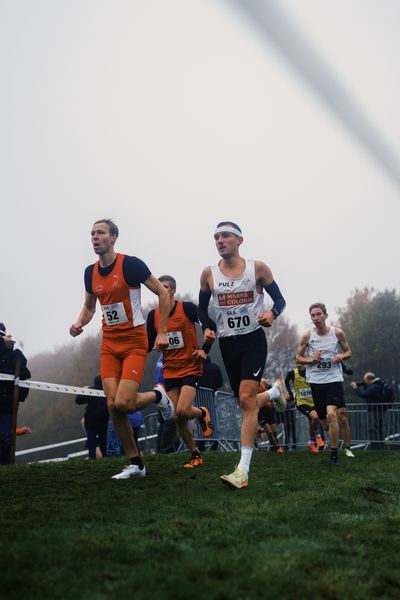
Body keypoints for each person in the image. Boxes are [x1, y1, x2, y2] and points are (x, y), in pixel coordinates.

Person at [70, 219, 174, 480]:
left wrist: (161, 332)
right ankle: (136, 463)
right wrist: (79, 322)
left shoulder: (130, 265)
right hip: (109, 344)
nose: (95, 237)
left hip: (134, 342)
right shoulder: (89, 272)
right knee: (112, 406)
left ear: (114, 237)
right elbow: (90, 305)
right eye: (92, 233)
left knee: (125, 403)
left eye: (101, 233)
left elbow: (163, 294)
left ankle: (158, 397)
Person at [199, 221, 286, 488]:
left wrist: (271, 314)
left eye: (225, 236)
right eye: (216, 237)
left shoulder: (256, 268)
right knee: (245, 403)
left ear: (239, 240)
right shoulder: (209, 274)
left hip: (253, 341)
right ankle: (273, 393)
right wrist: (208, 328)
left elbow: (280, 301)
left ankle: (242, 471)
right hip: (228, 344)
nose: (219, 240)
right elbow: (203, 311)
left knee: (247, 399)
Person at [147, 275, 214, 468]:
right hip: (170, 370)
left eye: (165, 286)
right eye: (159, 286)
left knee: (183, 410)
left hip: (190, 367)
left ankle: (201, 413)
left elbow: (210, 326)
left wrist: (204, 349)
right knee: (176, 416)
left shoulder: (187, 308)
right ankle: (195, 454)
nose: (162, 289)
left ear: (173, 290)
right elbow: (148, 343)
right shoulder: (154, 316)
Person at [296, 303, 353, 466]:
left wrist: (341, 357)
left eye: (318, 314)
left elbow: (349, 352)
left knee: (332, 414)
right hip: (315, 382)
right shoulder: (307, 336)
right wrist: (311, 359)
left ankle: (334, 454)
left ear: (325, 316)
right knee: (325, 423)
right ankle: (334, 437)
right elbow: (298, 358)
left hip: (333, 380)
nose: (315, 318)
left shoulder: (337, 333)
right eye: (313, 315)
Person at [0, 325, 31, 465]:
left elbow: (25, 375)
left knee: (5, 437)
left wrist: (19, 397)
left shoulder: (14, 355)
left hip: (6, 406)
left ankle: (5, 467)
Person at [285, 364, 324, 453]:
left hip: (312, 402)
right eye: (297, 362)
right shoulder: (292, 373)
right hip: (301, 403)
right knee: (315, 417)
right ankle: (317, 435)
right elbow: (286, 380)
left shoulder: (310, 372)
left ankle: (311, 441)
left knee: (312, 422)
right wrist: (290, 394)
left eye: (300, 362)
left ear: (304, 363)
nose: (299, 365)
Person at [351, 372, 390, 448]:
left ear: (369, 379)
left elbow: (363, 394)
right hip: (379, 410)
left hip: (374, 411)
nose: (363, 381)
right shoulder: (378, 384)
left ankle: (375, 445)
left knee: (373, 427)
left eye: (364, 380)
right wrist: (363, 385)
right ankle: (380, 444)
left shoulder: (374, 387)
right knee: (378, 427)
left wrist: (355, 388)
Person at [75, 374, 109, 459]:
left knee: (91, 441)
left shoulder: (91, 391)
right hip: (103, 420)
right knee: (103, 441)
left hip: (90, 420)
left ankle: (92, 458)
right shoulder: (107, 391)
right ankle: (105, 457)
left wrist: (83, 390)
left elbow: (78, 400)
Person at [257, 378, 283, 453]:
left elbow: (272, 391)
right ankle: (277, 448)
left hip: (268, 409)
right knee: (269, 432)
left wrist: (276, 401)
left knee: (274, 431)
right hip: (259, 411)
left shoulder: (263, 381)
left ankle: (273, 448)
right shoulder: (250, 385)